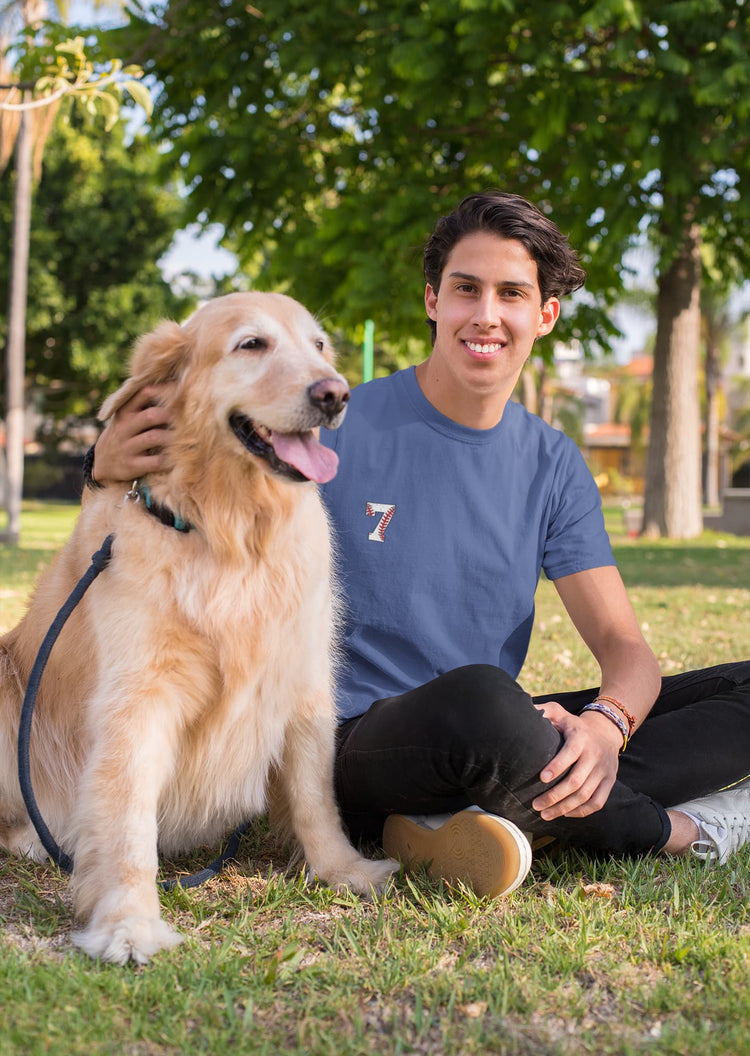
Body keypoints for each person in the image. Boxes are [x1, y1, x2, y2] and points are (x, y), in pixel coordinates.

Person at [90, 191, 750, 899]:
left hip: (489, 737)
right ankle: (679, 830)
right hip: (342, 742)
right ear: (434, 299)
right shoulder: (324, 421)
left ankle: (479, 812)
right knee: (486, 704)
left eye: (512, 293)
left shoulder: (553, 464)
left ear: (545, 314)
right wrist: (107, 465)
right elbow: (194, 494)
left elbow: (626, 648)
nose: (486, 314)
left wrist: (604, 728)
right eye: (466, 288)